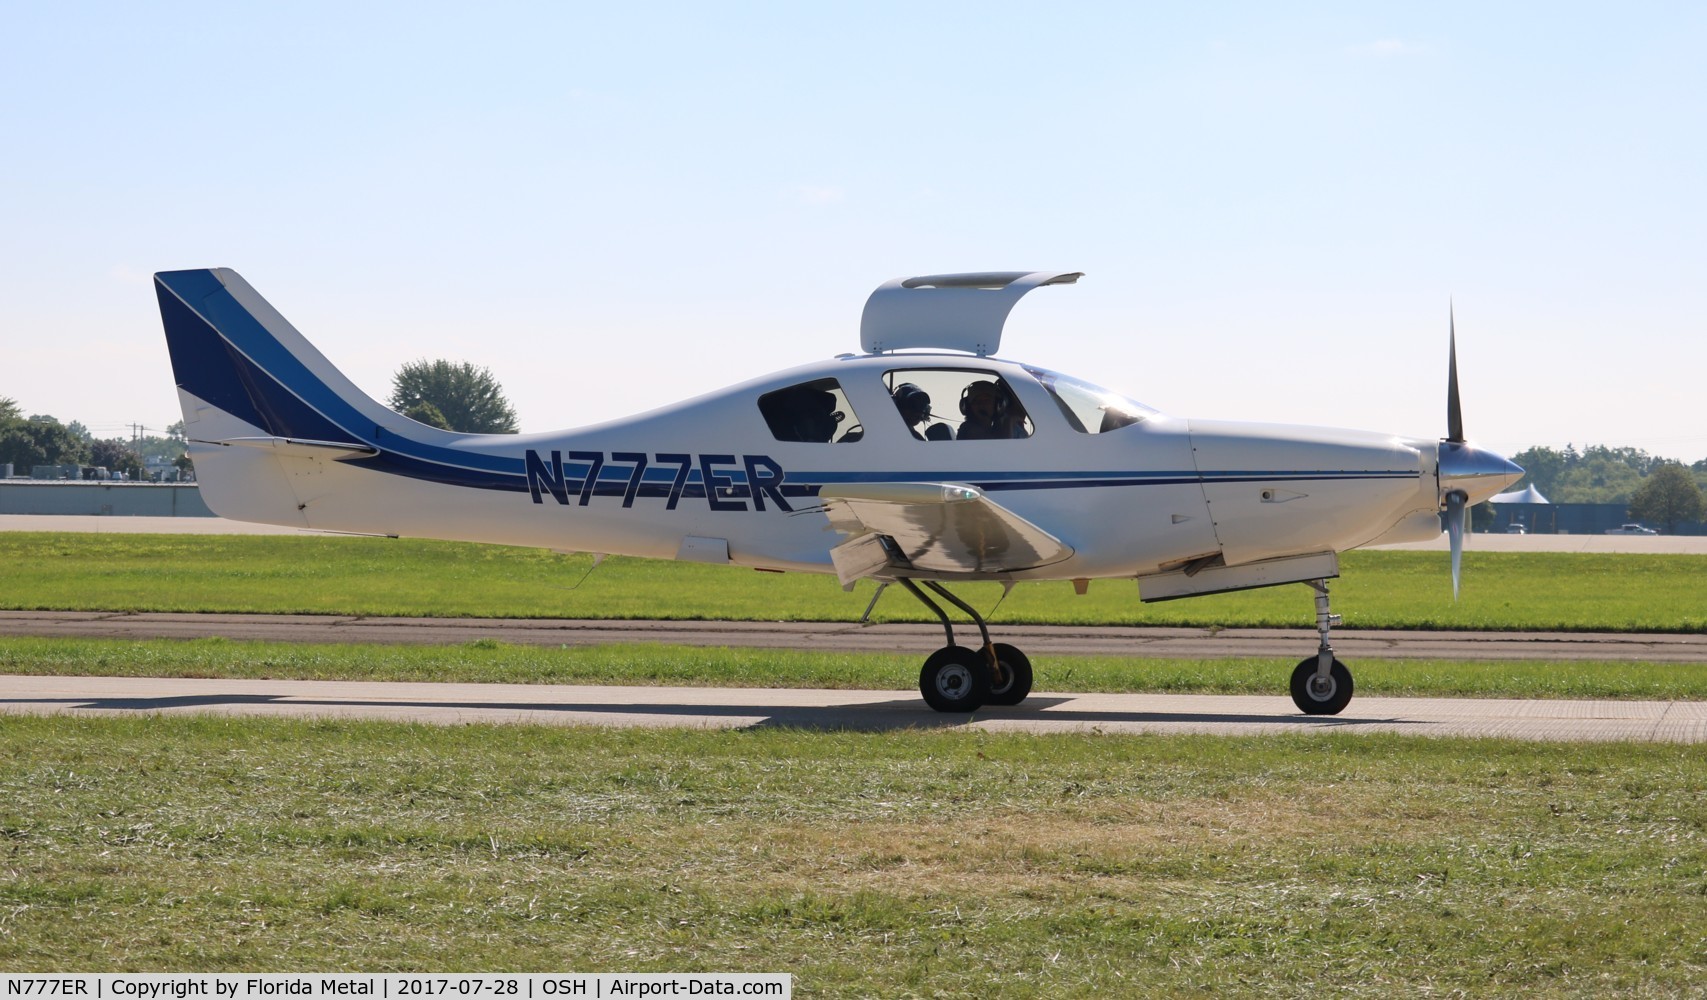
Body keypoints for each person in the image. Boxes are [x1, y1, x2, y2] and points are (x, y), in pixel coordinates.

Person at [956, 379, 1026, 439]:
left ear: (998, 405)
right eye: (976, 401)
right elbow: (1001, 450)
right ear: (968, 407)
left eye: (987, 401)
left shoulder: (992, 429)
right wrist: (1008, 423)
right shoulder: (968, 429)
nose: (981, 405)